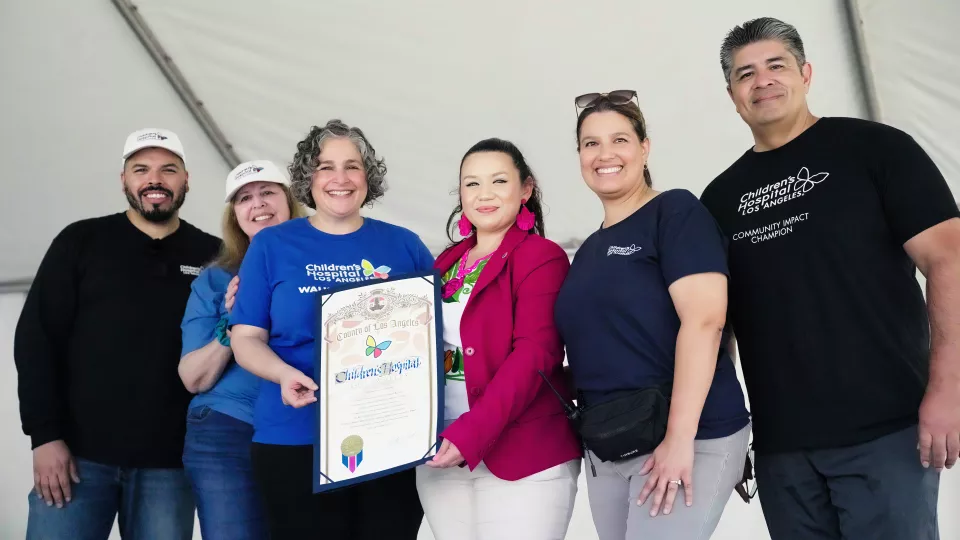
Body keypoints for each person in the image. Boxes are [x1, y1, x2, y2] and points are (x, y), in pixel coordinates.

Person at [700, 17, 960, 539]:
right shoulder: (719, 199)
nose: (763, 80)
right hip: (782, 452)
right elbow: (712, 326)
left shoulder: (877, 150)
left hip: (887, 432)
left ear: (806, 73)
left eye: (776, 65)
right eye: (745, 74)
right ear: (732, 95)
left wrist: (949, 387)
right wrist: (718, 434)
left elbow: (948, 261)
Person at [554, 92, 751, 539]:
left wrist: (680, 440)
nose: (605, 154)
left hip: (688, 436)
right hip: (610, 443)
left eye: (619, 139)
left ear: (645, 148)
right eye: (590, 144)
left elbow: (705, 321)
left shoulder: (675, 212)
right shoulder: (587, 250)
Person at [228, 119, 432, 539]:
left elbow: (431, 340)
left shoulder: (405, 245)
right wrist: (282, 374)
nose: (340, 179)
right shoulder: (271, 246)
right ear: (308, 177)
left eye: (352, 166)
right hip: (294, 436)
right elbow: (246, 338)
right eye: (325, 167)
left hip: (387, 436)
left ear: (368, 177)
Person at [14, 128, 221, 539]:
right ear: (124, 180)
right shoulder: (81, 241)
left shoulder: (213, 255)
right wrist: (45, 437)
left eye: (169, 169)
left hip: (172, 463)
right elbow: (37, 340)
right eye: (141, 169)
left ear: (186, 180)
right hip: (75, 459)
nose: (154, 179)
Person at [416, 138, 583, 539]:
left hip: (523, 454)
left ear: (525, 189)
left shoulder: (541, 257)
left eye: (498, 181)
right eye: (471, 184)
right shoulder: (445, 263)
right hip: (441, 453)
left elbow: (534, 356)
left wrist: (470, 434)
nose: (484, 195)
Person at [178, 160, 304, 539]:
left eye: (268, 192)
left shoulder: (323, 265)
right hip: (226, 427)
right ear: (235, 215)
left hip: (302, 422)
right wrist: (231, 322)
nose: (258, 204)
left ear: (291, 202)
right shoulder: (215, 279)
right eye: (244, 198)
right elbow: (193, 378)